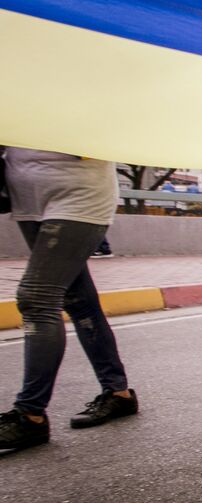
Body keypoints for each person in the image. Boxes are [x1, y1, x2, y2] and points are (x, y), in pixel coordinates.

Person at [1, 148, 137, 451]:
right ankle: (118, 394)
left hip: (78, 194)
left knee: (37, 298)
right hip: (29, 197)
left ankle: (30, 414)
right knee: (79, 301)